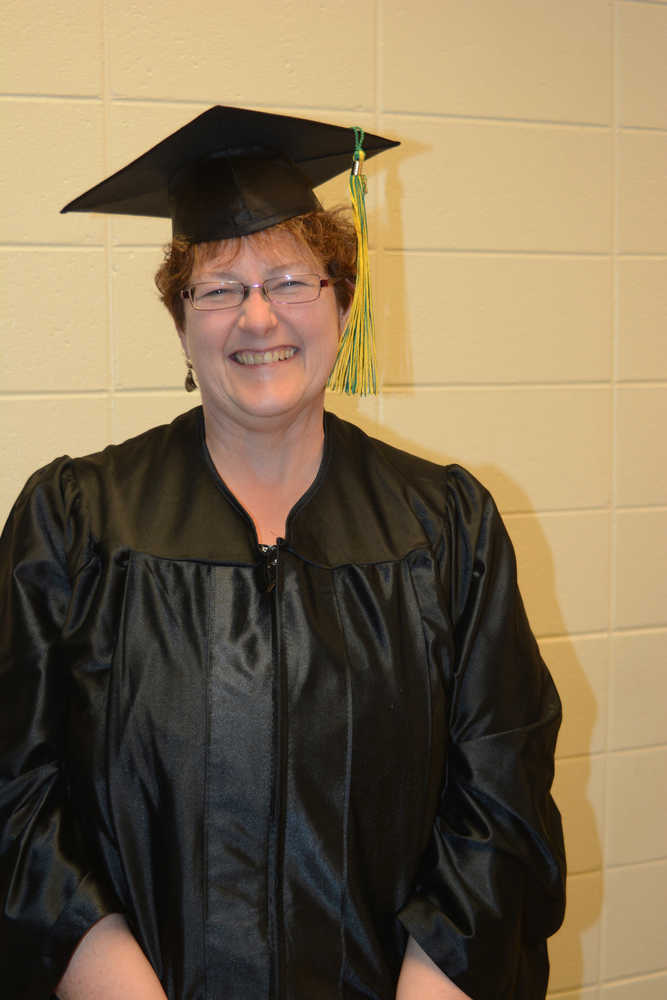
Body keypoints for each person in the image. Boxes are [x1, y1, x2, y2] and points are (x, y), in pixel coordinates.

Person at [0, 106, 565, 1000]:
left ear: (342, 302)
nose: (257, 316)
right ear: (180, 324)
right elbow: (15, 793)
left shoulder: (444, 526)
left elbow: (502, 793)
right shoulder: (75, 521)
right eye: (218, 289)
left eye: (291, 281)